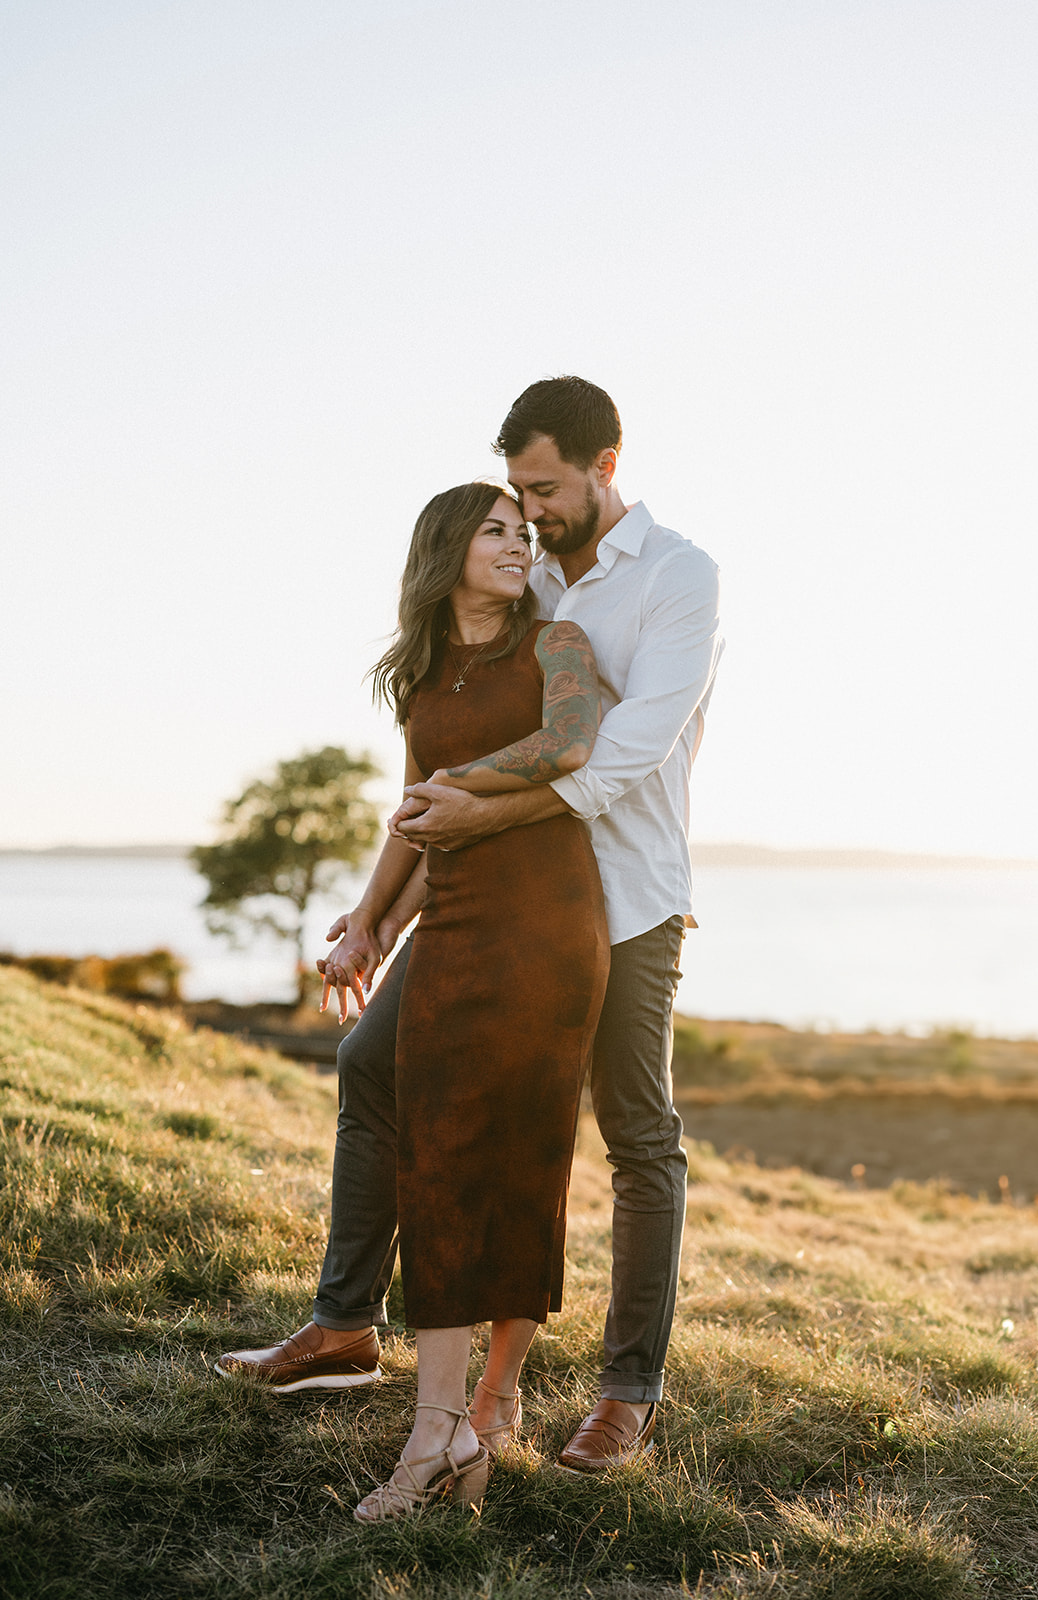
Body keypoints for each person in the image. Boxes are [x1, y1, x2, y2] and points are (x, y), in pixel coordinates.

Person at [217, 376, 723, 1475]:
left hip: (627, 900)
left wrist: (474, 799)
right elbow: (440, 759)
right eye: (517, 497)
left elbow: (619, 752)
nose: (530, 514)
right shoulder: (525, 571)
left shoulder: (680, 578)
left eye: (543, 490)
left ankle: (625, 1392)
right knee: (372, 1064)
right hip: (497, 901)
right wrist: (378, 912)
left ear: (605, 465)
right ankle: (347, 1320)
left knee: (633, 1136)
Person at [220, 480, 609, 1522]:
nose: (518, 544)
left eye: (522, 531)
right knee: (419, 1127)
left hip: (546, 923)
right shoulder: (424, 674)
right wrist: (368, 920)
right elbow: (416, 814)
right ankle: (419, 1405)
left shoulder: (558, 642)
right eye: (495, 530)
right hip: (458, 916)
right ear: (445, 549)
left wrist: (462, 783)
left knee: (518, 1154)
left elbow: (570, 747)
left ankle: (480, 1406)